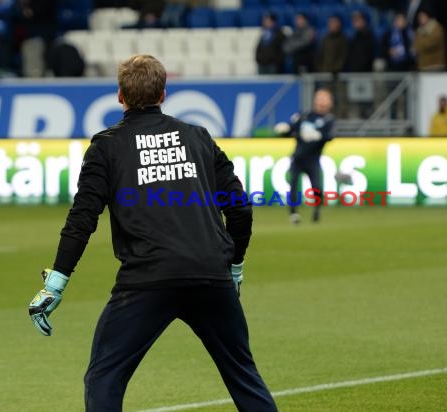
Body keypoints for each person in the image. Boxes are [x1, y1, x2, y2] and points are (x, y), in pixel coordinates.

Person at [28, 54, 278, 412]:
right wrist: (234, 266)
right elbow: (239, 207)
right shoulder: (198, 137)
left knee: (104, 378)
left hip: (147, 280)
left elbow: (83, 217)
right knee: (243, 377)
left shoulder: (107, 146)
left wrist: (55, 283)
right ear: (163, 94)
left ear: (120, 96)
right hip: (211, 275)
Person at [274, 88, 336, 224]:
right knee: (293, 185)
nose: (321, 101)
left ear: (330, 102)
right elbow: (291, 129)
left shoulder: (329, 120)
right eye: (320, 98)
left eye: (325, 98)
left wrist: (318, 135)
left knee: (316, 187)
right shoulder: (304, 116)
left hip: (313, 159)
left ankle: (317, 210)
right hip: (298, 158)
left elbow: (329, 136)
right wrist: (283, 129)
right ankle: (293, 214)